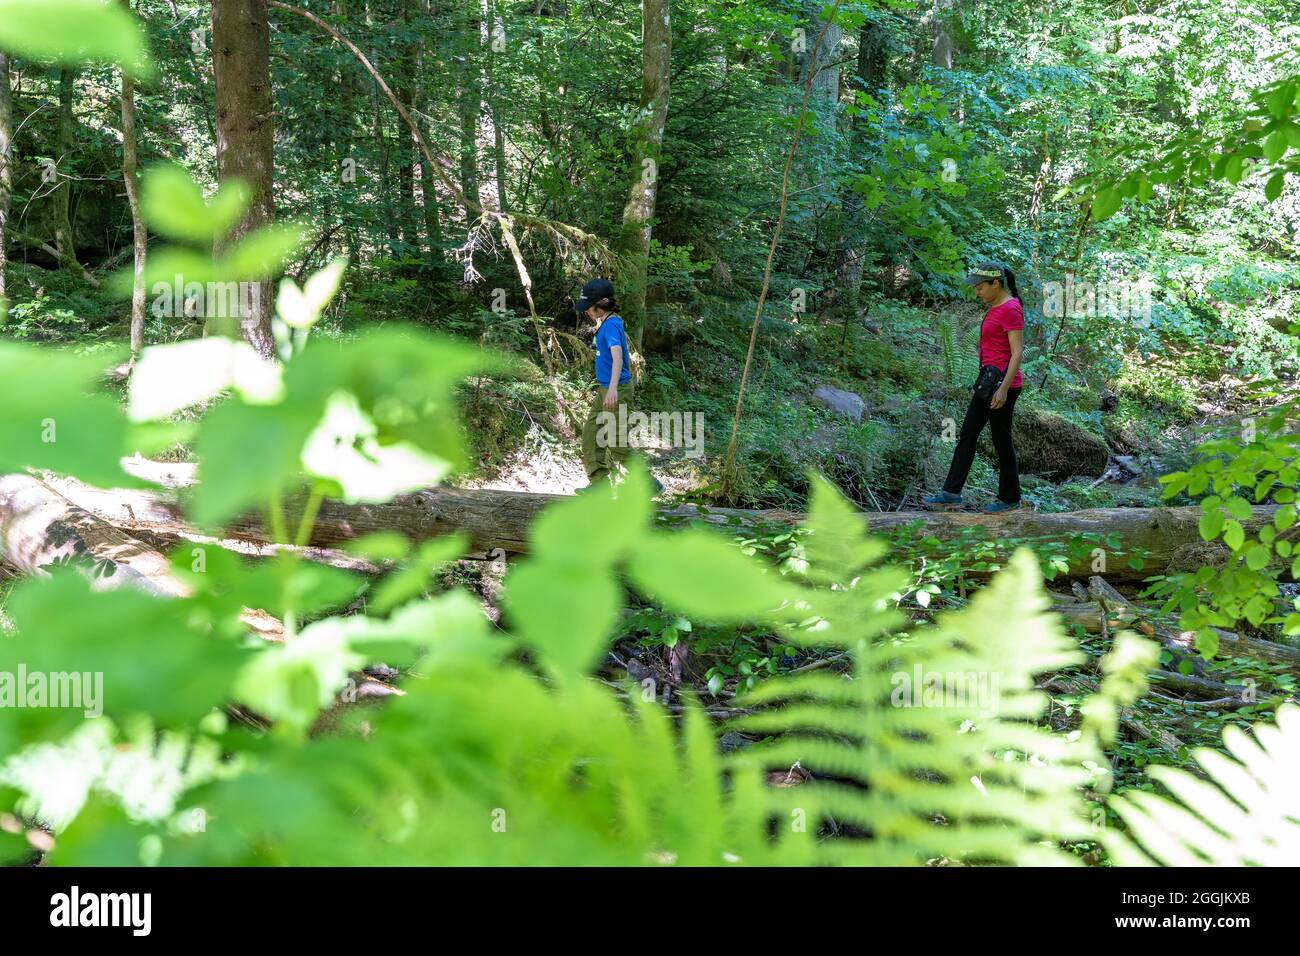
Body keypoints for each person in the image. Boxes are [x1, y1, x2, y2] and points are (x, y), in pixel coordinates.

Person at [923, 263, 1025, 514]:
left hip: (1002, 385)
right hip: (987, 381)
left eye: (980, 287)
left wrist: (1003, 389)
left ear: (996, 284)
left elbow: (1018, 351)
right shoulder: (994, 307)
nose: (977, 292)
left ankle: (1010, 497)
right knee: (968, 433)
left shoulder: (1011, 309)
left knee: (1001, 440)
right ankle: (951, 493)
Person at [575, 278, 661, 493]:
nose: (586, 311)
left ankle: (650, 484)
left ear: (600, 304)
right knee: (591, 435)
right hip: (606, 388)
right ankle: (600, 485)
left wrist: (612, 387)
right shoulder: (607, 322)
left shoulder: (612, 324)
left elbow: (618, 357)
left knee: (615, 441)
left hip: (616, 389)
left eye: (589, 307)